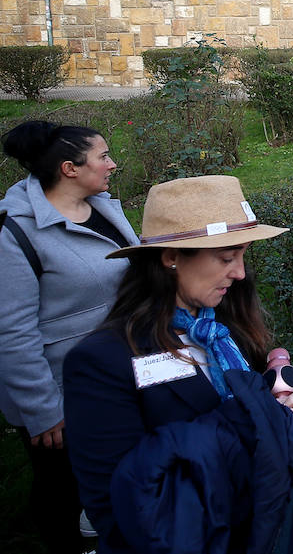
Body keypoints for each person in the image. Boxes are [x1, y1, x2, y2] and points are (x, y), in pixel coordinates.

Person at [64, 175, 293, 554]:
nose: (241, 273)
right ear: (171, 257)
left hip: (281, 521)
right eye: (227, 257)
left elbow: (267, 403)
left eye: (243, 254)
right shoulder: (100, 363)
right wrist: (251, 418)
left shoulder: (222, 329)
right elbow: (122, 503)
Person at [0, 121, 137, 554]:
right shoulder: (15, 233)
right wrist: (42, 411)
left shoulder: (103, 207)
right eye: (102, 156)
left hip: (116, 372)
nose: (112, 163)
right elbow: (12, 332)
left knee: (111, 476)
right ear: (69, 168)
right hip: (62, 391)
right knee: (63, 486)